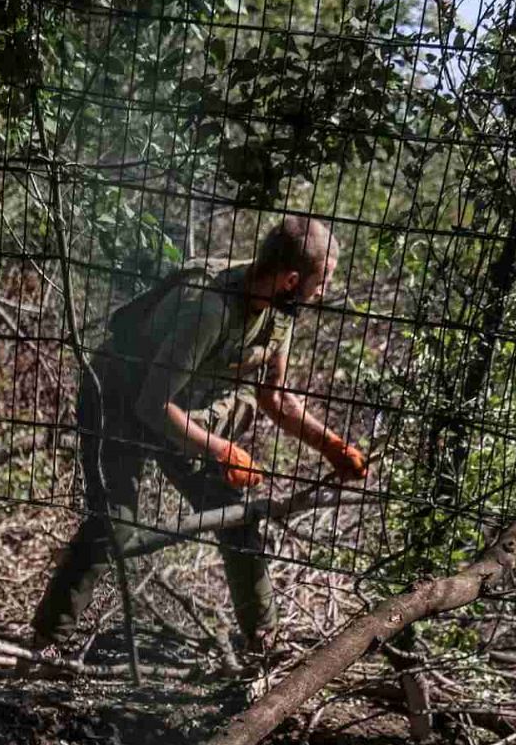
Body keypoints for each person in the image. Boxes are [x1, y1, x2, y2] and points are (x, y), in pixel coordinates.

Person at [30, 216, 369, 659]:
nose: (322, 291)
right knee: (115, 519)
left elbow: (275, 396)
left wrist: (334, 448)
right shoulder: (208, 307)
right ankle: (45, 647)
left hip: (176, 405)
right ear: (291, 279)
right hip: (117, 397)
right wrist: (222, 448)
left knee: (234, 513)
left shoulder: (278, 309)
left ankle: (262, 643)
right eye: (320, 281)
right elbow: (150, 405)